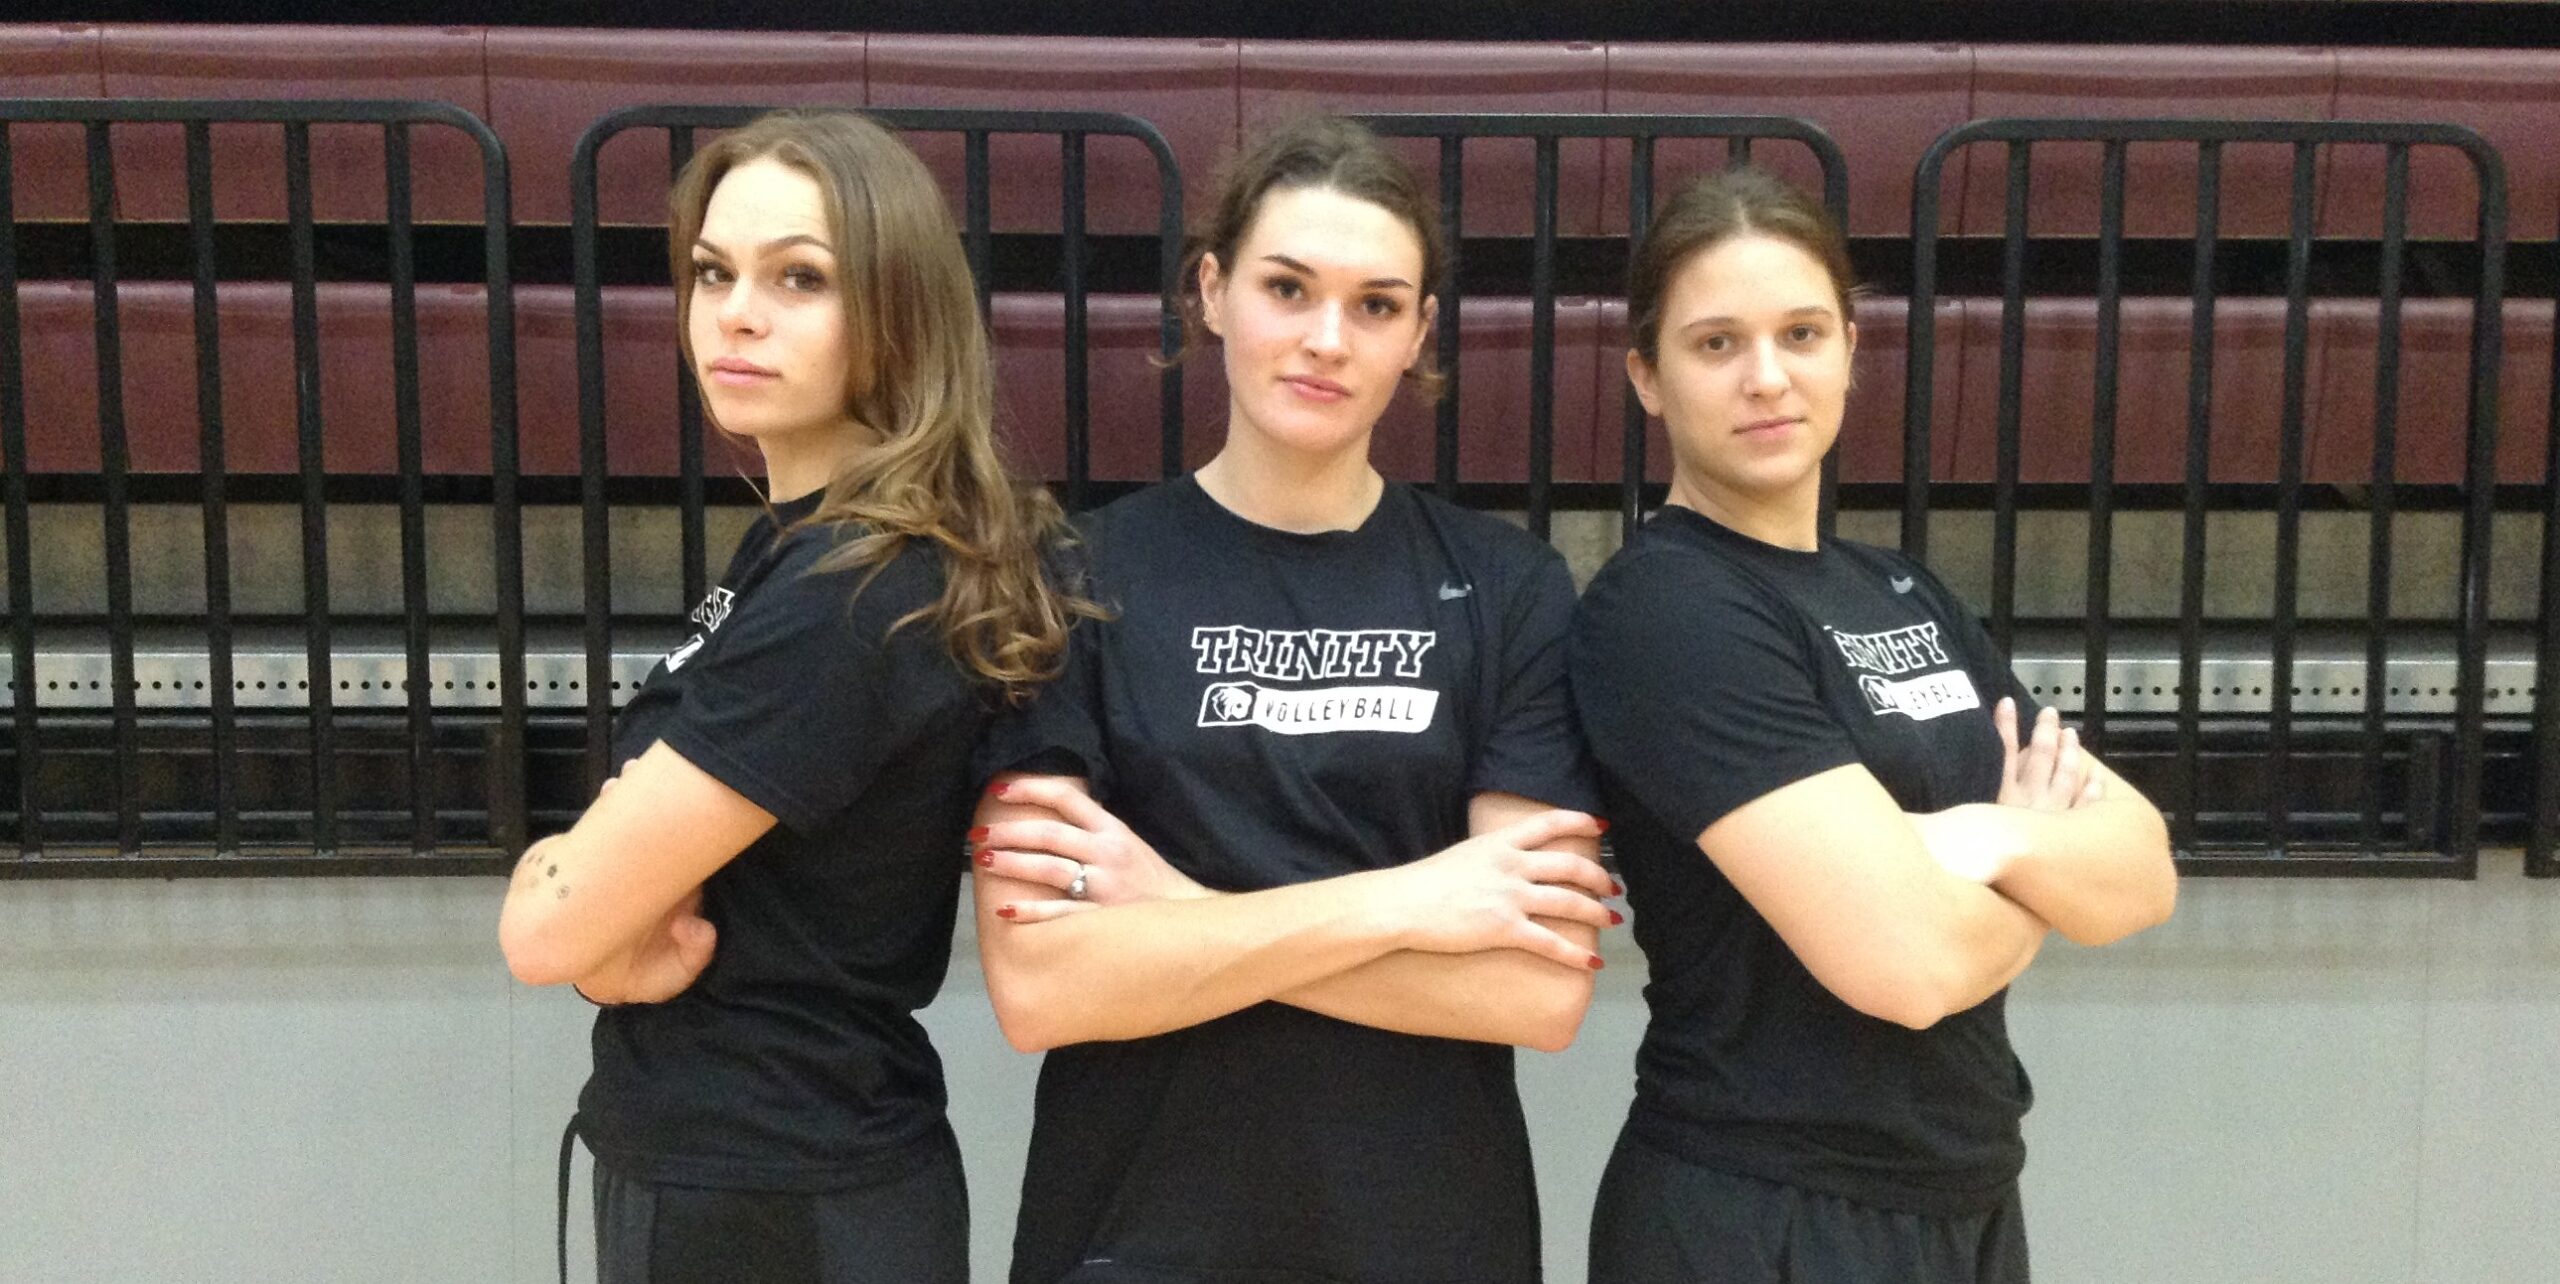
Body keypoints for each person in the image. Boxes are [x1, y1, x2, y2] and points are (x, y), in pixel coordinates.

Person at [965, 115, 1620, 1284]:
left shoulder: (1512, 589)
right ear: (1212, 291)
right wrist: (1417, 899)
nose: (1326, 339)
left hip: (1427, 1240)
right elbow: (1042, 984)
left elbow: (1534, 989)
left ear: (1419, 331)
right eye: (1286, 287)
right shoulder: (1070, 574)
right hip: (1133, 1238)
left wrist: (1175, 912)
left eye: (1375, 304)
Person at [497, 110, 1091, 1283]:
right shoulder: (807, 544)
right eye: (713, 272)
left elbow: (544, 925)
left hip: (774, 1196)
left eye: (799, 278)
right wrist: (594, 916)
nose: (737, 312)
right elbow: (592, 910)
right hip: (748, 1171)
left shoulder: (857, 589)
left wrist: (575, 904)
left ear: (895, 308)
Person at [1569, 164, 2180, 1283]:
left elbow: (2143, 871)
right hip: (1767, 1212)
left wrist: (1978, 842)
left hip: (1969, 1197)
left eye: (1801, 333)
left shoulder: (1903, 591)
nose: (1767, 377)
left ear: (1851, 348)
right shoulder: (1666, 610)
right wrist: (2041, 875)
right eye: (1715, 344)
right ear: (1646, 378)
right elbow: (1904, 967)